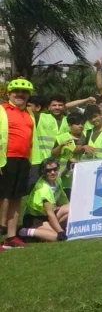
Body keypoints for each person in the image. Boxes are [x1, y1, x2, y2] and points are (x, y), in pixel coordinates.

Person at [0, 78, 36, 249]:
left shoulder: (29, 114)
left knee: (16, 198)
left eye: (24, 92)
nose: (20, 94)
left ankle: (11, 237)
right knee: (2, 197)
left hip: (23, 160)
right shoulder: (2, 110)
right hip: (5, 159)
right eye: (16, 91)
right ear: (9, 93)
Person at [18, 158, 69, 243]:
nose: (52, 172)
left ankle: (48, 229)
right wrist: (60, 231)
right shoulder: (44, 189)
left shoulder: (57, 179)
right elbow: (50, 214)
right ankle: (23, 231)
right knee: (57, 237)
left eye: (55, 169)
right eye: (48, 170)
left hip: (47, 214)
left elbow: (64, 201)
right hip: (35, 219)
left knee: (71, 208)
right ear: (43, 172)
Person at [51, 112, 85, 198]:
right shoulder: (61, 137)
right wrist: (61, 145)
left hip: (82, 177)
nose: (80, 126)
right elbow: (53, 154)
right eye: (77, 124)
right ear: (70, 125)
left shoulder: (86, 137)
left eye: (82, 123)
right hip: (65, 178)